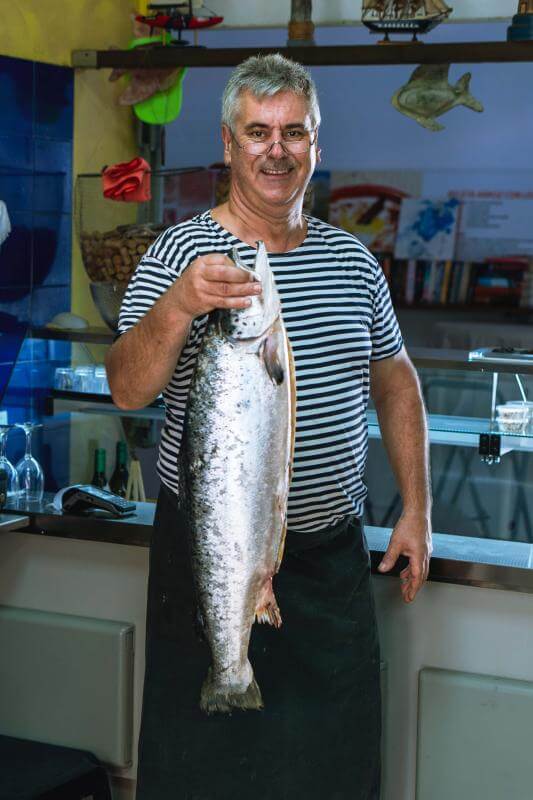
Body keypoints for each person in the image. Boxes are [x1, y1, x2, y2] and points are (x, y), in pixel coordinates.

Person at [106, 53, 432, 800]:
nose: (276, 150)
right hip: (208, 553)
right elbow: (126, 387)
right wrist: (181, 305)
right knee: (203, 770)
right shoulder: (179, 254)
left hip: (328, 564)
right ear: (228, 144)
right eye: (258, 132)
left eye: (294, 133)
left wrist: (416, 508)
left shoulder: (353, 262)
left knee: (332, 771)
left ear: (316, 146)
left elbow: (394, 378)